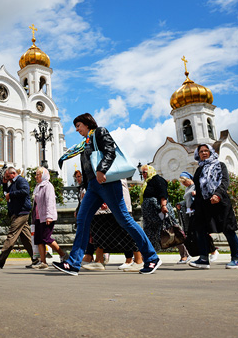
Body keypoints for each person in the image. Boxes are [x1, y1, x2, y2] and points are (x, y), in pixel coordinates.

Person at [53, 113, 161, 275]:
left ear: (87, 123)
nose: (77, 129)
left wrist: (101, 169)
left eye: (78, 126)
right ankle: (73, 263)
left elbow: (111, 151)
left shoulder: (100, 132)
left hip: (107, 182)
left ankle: (152, 257)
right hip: (93, 187)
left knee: (124, 219)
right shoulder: (86, 142)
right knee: (82, 220)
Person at [188, 144, 238, 269]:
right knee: (200, 230)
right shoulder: (199, 169)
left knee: (228, 229)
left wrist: (217, 194)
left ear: (211, 152)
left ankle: (236, 259)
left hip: (219, 202)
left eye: (206, 150)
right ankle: (203, 259)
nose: (204, 153)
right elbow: (197, 187)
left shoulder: (220, 165)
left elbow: (224, 181)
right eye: (201, 151)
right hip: (203, 205)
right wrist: (194, 203)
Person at [140, 165, 190, 263]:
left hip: (160, 210)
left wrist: (163, 206)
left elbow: (163, 193)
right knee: (149, 233)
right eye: (142, 172)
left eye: (145, 172)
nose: (143, 174)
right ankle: (147, 256)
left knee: (172, 230)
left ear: (150, 171)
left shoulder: (157, 179)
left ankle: (185, 255)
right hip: (150, 214)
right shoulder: (147, 183)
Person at [0, 167, 34, 268]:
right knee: (26, 238)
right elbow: (6, 194)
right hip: (17, 212)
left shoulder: (21, 180)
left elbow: (25, 191)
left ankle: (0, 260)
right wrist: (4, 184)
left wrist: (11, 194)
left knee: (12, 235)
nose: (7, 179)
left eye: (8, 176)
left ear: (13, 173)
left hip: (21, 212)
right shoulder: (12, 183)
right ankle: (36, 259)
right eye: (6, 177)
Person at [177, 172, 220, 262]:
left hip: (198, 211)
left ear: (189, 179)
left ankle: (213, 251)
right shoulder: (188, 188)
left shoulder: (196, 186)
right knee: (196, 234)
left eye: (185, 182)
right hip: (191, 212)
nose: (184, 184)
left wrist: (196, 194)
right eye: (182, 183)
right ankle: (203, 253)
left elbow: (205, 194)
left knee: (202, 232)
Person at [31, 167, 67, 269]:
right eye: (36, 174)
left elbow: (50, 201)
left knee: (46, 238)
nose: (36, 176)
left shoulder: (48, 186)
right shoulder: (38, 187)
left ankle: (63, 255)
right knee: (39, 240)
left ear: (43, 175)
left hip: (47, 217)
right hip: (38, 217)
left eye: (38, 175)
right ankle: (43, 262)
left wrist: (49, 216)